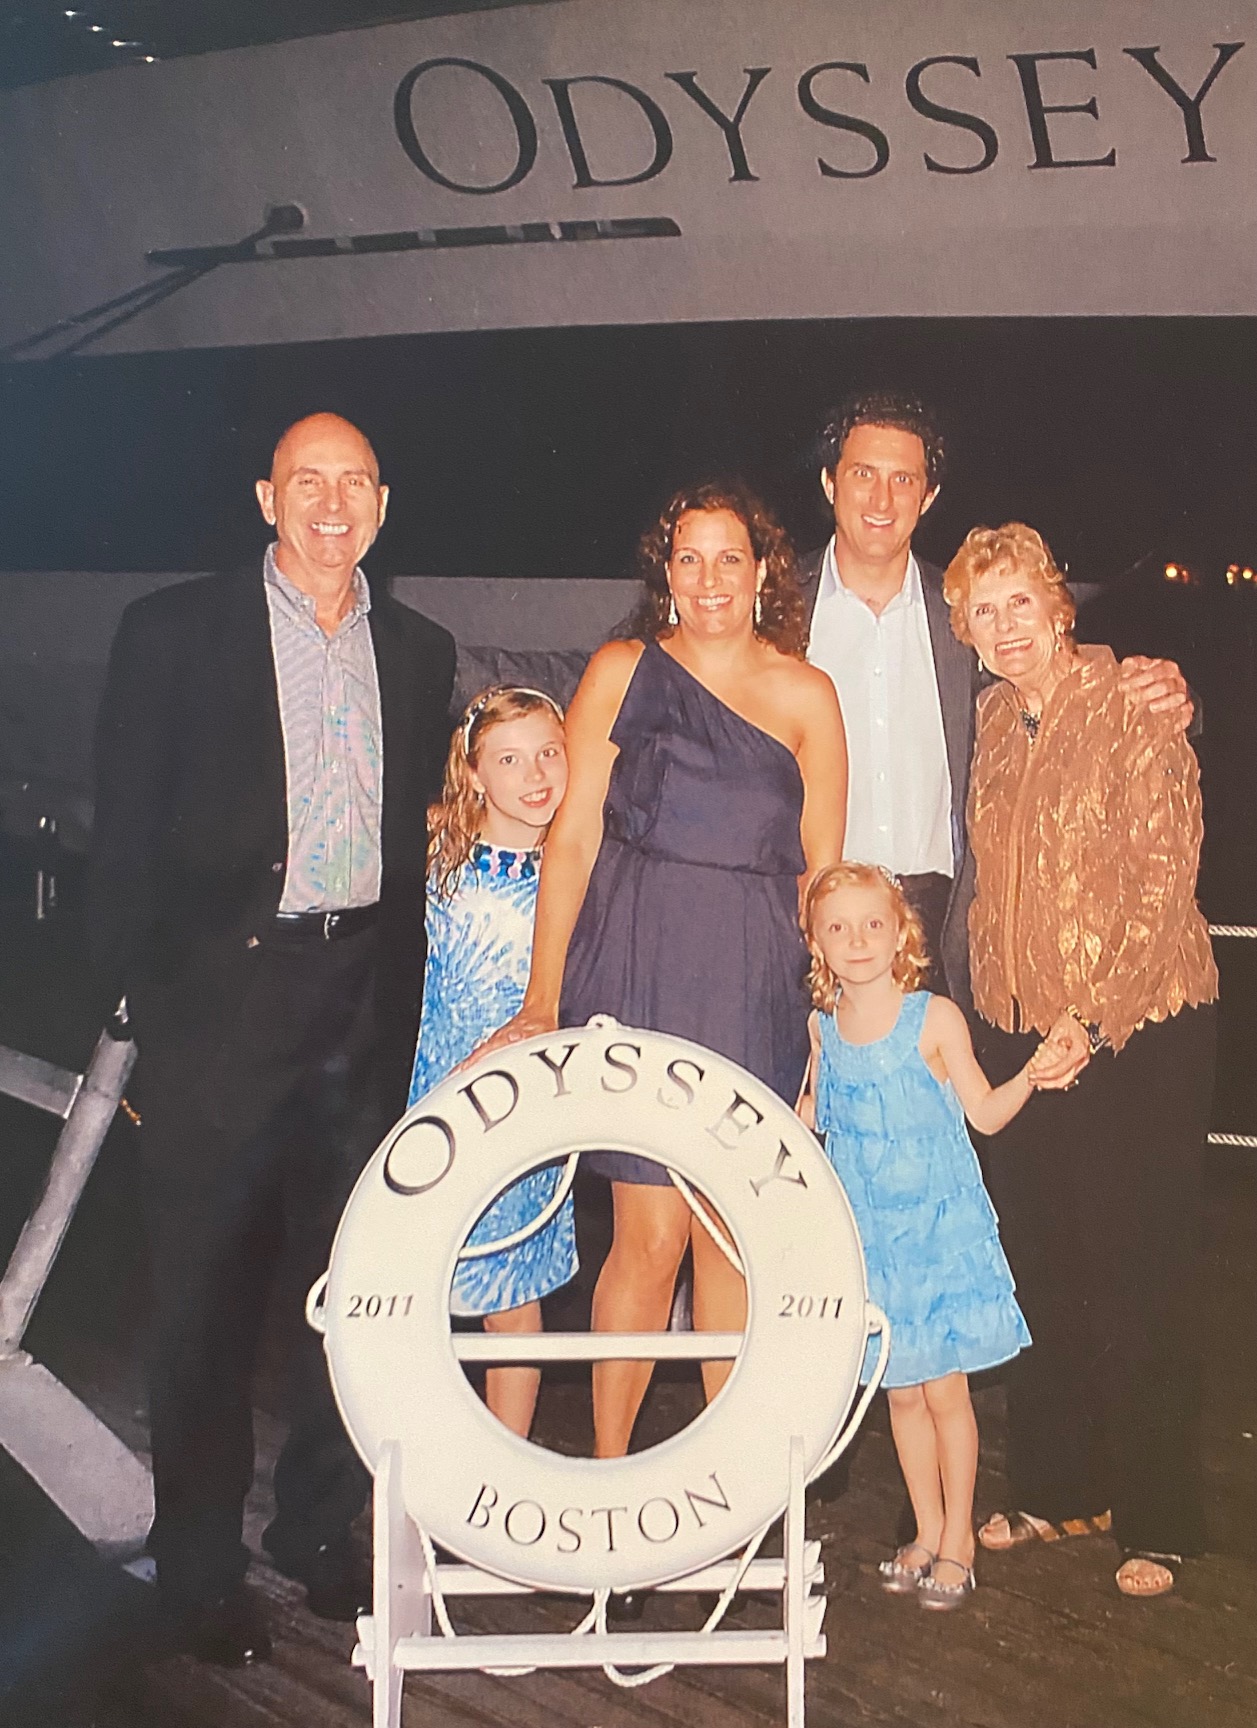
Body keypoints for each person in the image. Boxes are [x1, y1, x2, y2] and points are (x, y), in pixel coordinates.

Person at [90, 414, 456, 1665]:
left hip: (361, 999)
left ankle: (315, 1526)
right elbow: (123, 835)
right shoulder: (172, 632)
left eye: (356, 482)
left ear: (384, 505)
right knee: (202, 1294)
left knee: (348, 1284)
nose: (332, 503)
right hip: (223, 1007)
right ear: (265, 497)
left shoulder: (418, 649)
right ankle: (198, 1567)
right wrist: (151, 1001)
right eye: (309, 481)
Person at [479, 481, 848, 1463]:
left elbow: (821, 874)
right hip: (640, 962)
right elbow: (571, 842)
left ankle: (726, 1479)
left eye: (730, 558)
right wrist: (542, 998)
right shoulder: (621, 670)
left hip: (754, 976)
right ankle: (611, 1473)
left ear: (763, 572)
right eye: (689, 558)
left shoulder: (808, 695)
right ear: (666, 573)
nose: (709, 578)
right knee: (649, 1235)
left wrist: (821, 1020)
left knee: (732, 1231)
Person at [944, 522, 1218, 1599]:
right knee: (1043, 1265)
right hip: (1023, 1032)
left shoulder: (1134, 704)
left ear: (1059, 607)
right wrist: (1001, 1021)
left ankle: (1159, 1515)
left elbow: (1164, 882)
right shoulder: (990, 720)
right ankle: (1061, 1488)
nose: (1004, 626)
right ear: (965, 632)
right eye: (982, 611)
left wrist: (1092, 1023)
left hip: (1136, 1030)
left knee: (1134, 1270)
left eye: (1021, 601)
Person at [796, 389, 1194, 1010]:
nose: (882, 499)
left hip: (937, 936)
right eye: (863, 474)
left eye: (903, 479)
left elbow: (1056, 680)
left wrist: (1167, 691)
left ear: (928, 496)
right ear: (829, 482)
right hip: (809, 923)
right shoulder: (775, 611)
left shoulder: (964, 616)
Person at [799, 861, 1078, 1609]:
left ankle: (959, 1538)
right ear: (816, 945)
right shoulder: (822, 1029)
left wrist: (1033, 1074)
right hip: (873, 1244)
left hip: (936, 1235)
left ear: (901, 935)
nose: (858, 940)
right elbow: (815, 1119)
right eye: (838, 928)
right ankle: (923, 1529)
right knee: (900, 1397)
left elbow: (983, 1114)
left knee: (946, 1393)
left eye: (873, 924)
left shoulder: (934, 1019)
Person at [409, 685, 577, 1438]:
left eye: (548, 753)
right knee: (418, 1288)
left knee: (509, 1300)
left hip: (522, 1101)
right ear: (473, 773)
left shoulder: (576, 868)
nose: (535, 775)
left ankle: (504, 1458)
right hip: (431, 1091)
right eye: (509, 760)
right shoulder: (436, 850)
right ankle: (418, 1460)